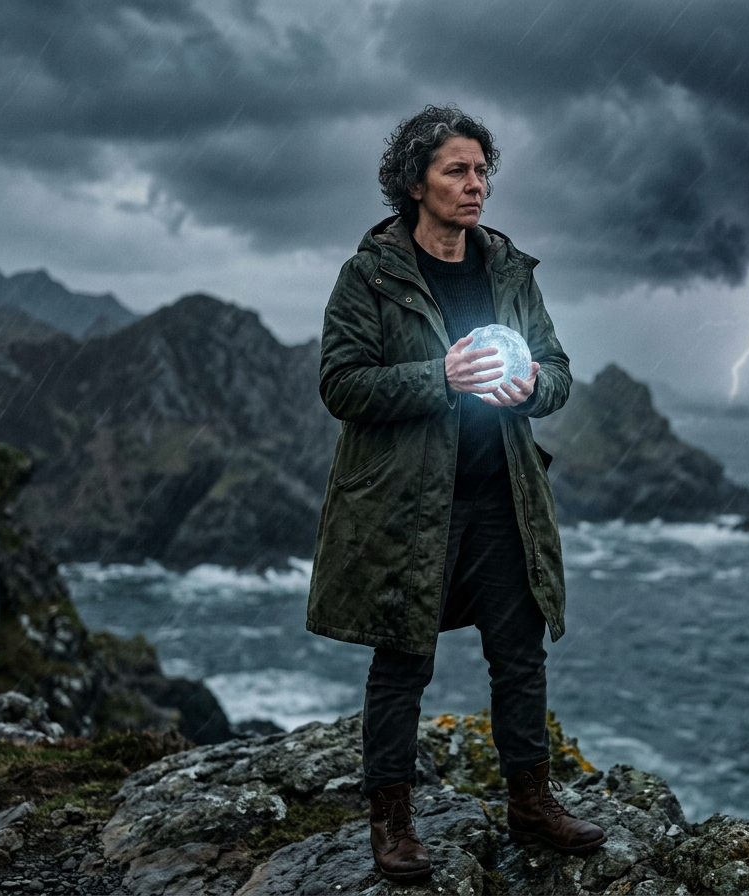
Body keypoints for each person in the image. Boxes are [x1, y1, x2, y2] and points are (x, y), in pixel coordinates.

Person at [306, 105, 606, 881]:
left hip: (505, 495)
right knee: (403, 661)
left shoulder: (509, 269)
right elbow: (342, 384)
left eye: (481, 171)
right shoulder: (371, 275)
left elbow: (557, 369)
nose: (476, 185)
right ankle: (392, 823)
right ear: (415, 183)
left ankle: (531, 803)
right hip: (410, 507)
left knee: (521, 657)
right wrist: (436, 377)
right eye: (457, 171)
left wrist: (535, 386)